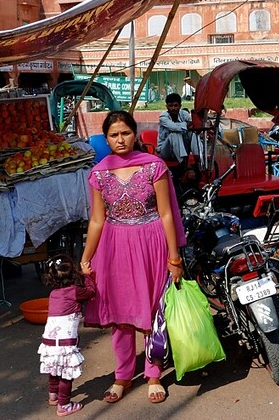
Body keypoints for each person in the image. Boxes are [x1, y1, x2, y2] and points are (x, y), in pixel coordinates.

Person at [80, 111, 185, 405]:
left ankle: (153, 374)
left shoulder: (154, 166)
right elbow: (97, 220)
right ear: (106, 138)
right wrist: (86, 257)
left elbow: (167, 213)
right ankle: (123, 375)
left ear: (135, 133)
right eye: (113, 135)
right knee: (120, 315)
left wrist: (174, 258)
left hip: (152, 243)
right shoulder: (99, 173)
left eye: (125, 133)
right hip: (114, 248)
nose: (120, 139)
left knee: (153, 312)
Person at [38, 254, 96, 417]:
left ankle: (53, 396)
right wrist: (87, 275)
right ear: (73, 273)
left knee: (54, 369)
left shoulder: (54, 294)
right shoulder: (75, 291)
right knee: (66, 374)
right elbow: (91, 292)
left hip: (49, 342)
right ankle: (64, 405)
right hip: (64, 342)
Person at [157, 93, 192, 184]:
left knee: (193, 133)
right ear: (166, 106)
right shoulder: (163, 117)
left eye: (175, 105)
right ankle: (184, 164)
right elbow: (173, 127)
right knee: (174, 134)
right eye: (170, 106)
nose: (173, 108)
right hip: (165, 151)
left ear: (180, 106)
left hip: (180, 149)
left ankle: (198, 158)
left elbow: (193, 123)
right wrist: (186, 125)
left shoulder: (183, 114)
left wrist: (189, 126)